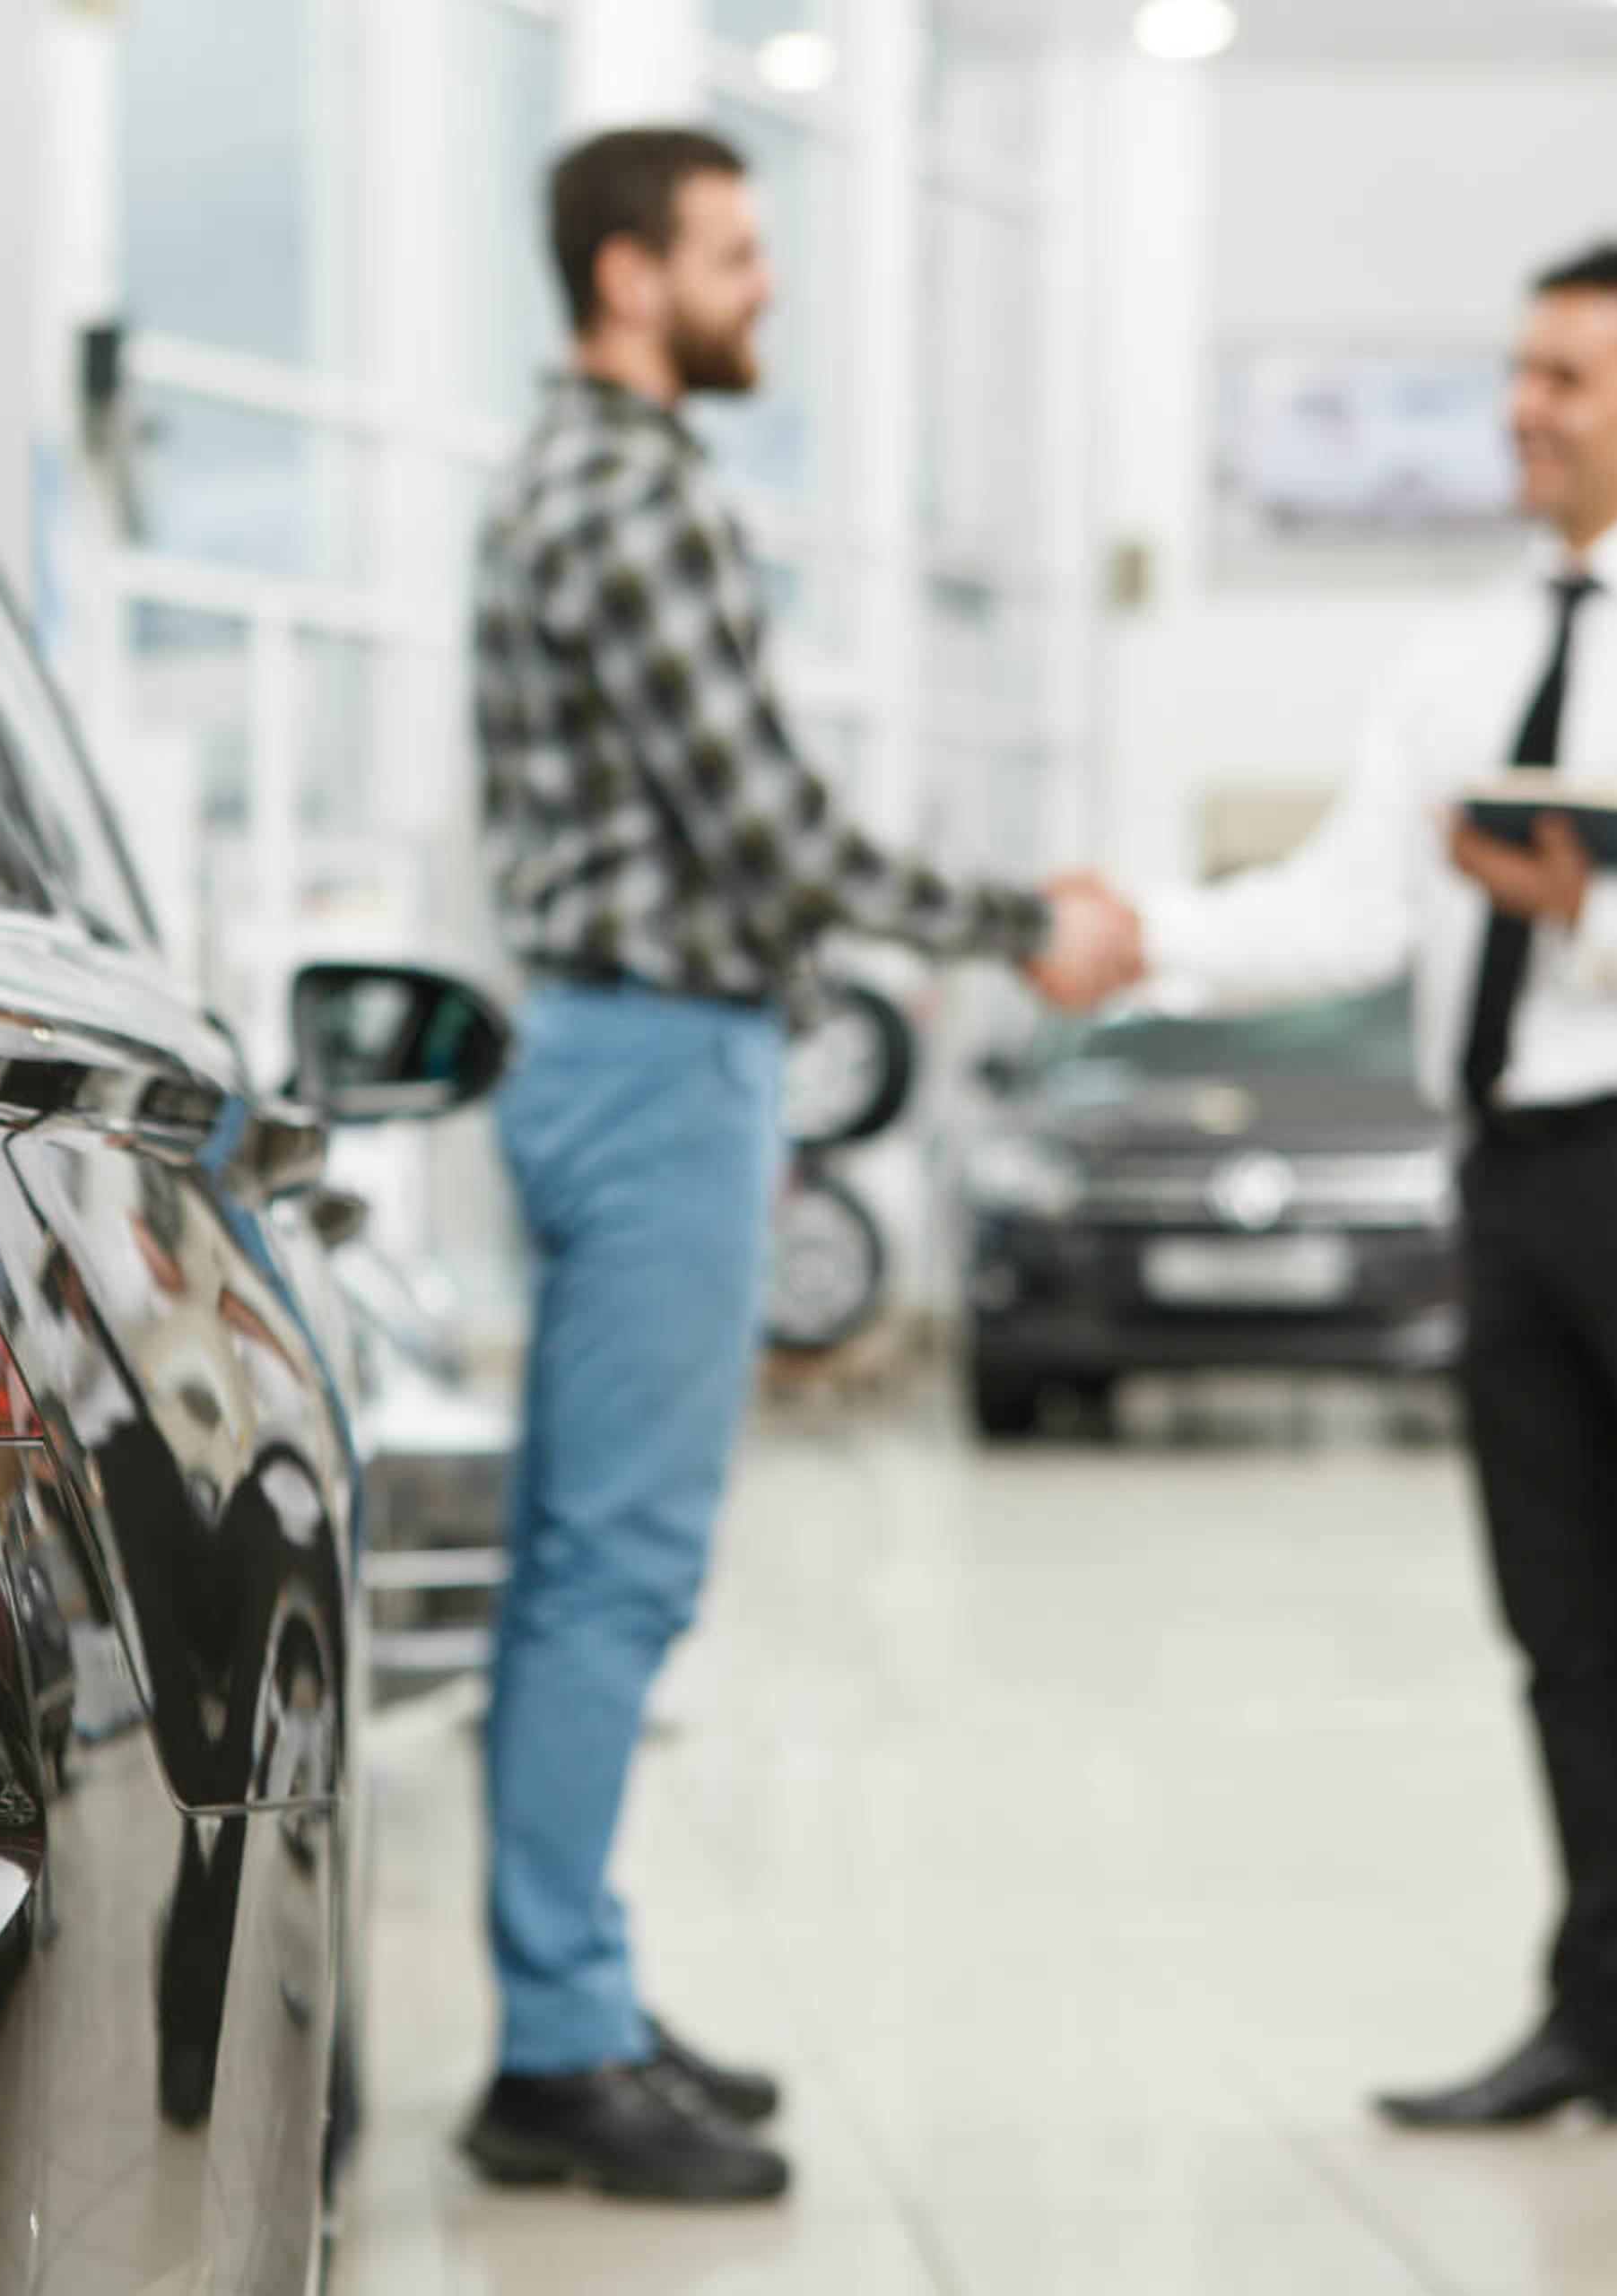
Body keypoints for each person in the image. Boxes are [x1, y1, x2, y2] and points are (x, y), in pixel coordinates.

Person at [1135, 244, 1617, 2201]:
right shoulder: (1469, 645)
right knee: (1559, 1627)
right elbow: (1346, 902)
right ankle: (1615, 2017)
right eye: (1515, 372)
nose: (1525, 408)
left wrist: (1600, 912)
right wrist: (1136, 938)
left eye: (1569, 375)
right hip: (1521, 1176)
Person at [460, 126, 1142, 2205]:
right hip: (657, 1058)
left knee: (582, 1558)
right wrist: (1022, 916)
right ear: (627, 274)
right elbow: (772, 836)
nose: (766, 285)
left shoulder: (574, 481)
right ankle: (560, 2050)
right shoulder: (629, 496)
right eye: (736, 253)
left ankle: (569, 1998)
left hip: (633, 1046)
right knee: (619, 1571)